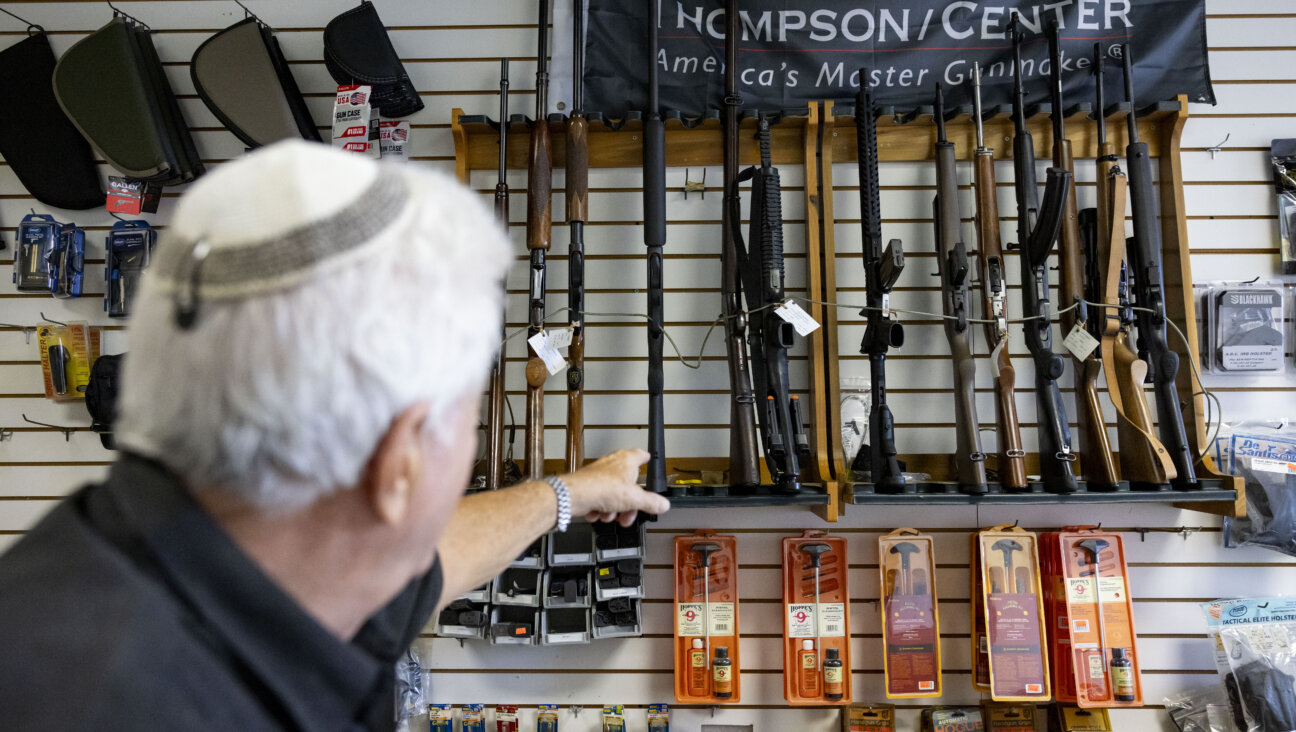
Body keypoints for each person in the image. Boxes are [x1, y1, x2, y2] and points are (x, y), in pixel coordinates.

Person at [0, 142, 671, 731]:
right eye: (463, 426)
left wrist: (567, 493)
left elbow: (430, 558)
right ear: (400, 464)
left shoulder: (158, 562)